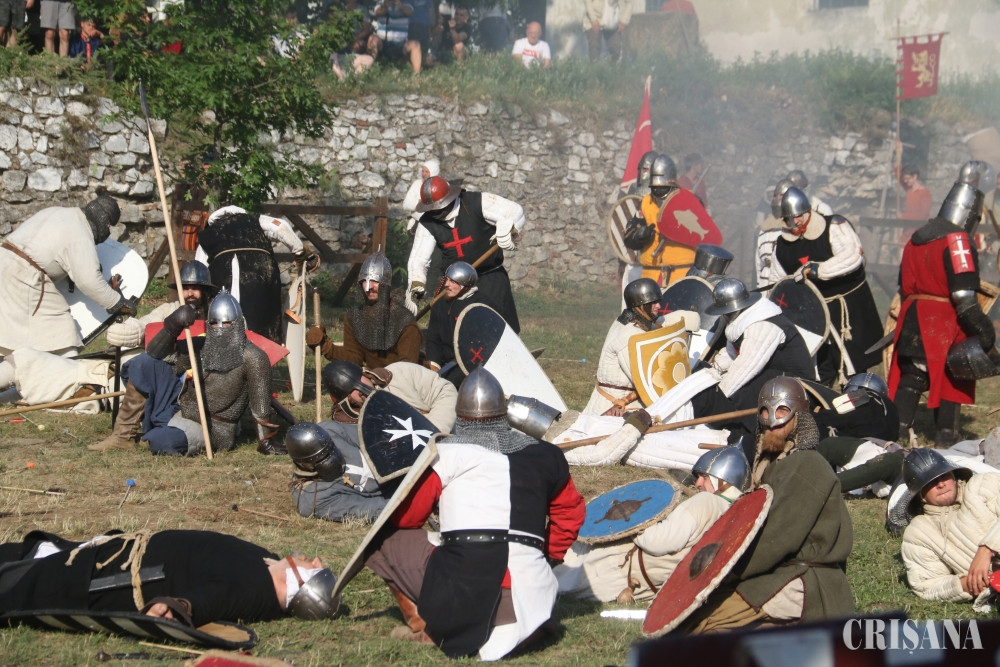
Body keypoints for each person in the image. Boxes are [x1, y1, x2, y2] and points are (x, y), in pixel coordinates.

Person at [363, 367, 585, 659]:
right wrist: (547, 556)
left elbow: (408, 519)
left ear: (461, 417)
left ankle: (426, 625)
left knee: (386, 540)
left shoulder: (445, 454)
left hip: (466, 587)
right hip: (534, 590)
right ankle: (528, 621)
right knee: (512, 561)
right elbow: (570, 514)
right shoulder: (547, 455)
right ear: (504, 413)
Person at [680, 377, 854, 633]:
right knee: (700, 617)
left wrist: (727, 571)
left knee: (706, 622)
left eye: (782, 410)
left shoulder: (806, 464)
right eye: (765, 410)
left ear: (800, 417)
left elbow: (776, 538)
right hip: (774, 573)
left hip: (806, 583)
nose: (772, 419)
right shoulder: (774, 467)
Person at [0, 528, 339, 624]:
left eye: (316, 568)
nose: (316, 558)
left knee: (19, 581)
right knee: (26, 553)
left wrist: (179, 606)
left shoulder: (254, 589)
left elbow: (217, 600)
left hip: (104, 575)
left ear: (299, 586)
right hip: (109, 551)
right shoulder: (266, 563)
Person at [88, 292, 280, 456]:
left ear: (238, 324)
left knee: (162, 441)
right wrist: (172, 326)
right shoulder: (204, 345)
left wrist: (266, 441)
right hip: (180, 409)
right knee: (143, 363)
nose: (220, 328)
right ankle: (122, 436)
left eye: (226, 323)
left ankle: (155, 434)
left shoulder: (253, 357)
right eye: (214, 323)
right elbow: (156, 354)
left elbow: (261, 408)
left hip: (212, 427)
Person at [556, 446, 748, 603]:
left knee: (552, 577)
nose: (697, 483)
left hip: (613, 565)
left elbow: (658, 541)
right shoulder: (734, 519)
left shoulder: (706, 502)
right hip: (639, 587)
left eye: (704, 477)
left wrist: (634, 521)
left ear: (722, 480)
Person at [889, 174, 999, 447]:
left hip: (912, 314)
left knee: (913, 375)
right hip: (941, 320)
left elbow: (903, 285)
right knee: (952, 373)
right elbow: (962, 293)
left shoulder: (916, 238)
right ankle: (947, 437)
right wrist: (983, 328)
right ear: (970, 214)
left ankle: (897, 432)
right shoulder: (958, 239)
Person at [763, 187, 882, 385]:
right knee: (819, 368)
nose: (795, 222)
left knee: (853, 366)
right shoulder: (783, 245)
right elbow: (777, 281)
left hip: (846, 307)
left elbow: (853, 255)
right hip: (813, 314)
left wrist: (819, 270)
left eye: (798, 216)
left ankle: (858, 400)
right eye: (789, 219)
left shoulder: (833, 226)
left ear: (808, 211)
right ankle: (820, 401)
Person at [0, 195, 135, 356]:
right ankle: (66, 369)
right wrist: (116, 301)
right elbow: (89, 281)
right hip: (24, 277)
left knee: (7, 331)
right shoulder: (80, 233)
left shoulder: (59, 212)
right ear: (104, 220)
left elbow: (49, 248)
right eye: (108, 225)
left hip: (5, 262)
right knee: (61, 332)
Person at [690, 278, 814, 441]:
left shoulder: (763, 325)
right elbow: (730, 357)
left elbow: (745, 369)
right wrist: (707, 377)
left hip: (794, 386)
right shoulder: (741, 323)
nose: (724, 315)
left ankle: (742, 435)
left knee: (738, 395)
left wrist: (717, 397)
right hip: (771, 378)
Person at [406, 176, 524, 331]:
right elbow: (419, 259)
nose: (435, 211)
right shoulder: (428, 222)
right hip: (455, 284)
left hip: (490, 278)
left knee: (499, 328)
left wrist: (507, 228)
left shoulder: (476, 202)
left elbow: (515, 211)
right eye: (431, 208)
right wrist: (416, 283)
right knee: (446, 329)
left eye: (438, 207)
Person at [195, 205, 315, 343]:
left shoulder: (208, 234)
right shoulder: (255, 220)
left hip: (228, 280)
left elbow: (199, 272)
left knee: (232, 324)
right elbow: (280, 226)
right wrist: (300, 252)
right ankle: (267, 350)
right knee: (267, 320)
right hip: (265, 273)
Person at [898, 448, 1000, 607]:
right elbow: (927, 585)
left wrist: (987, 549)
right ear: (920, 494)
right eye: (930, 482)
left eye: (944, 475)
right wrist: (966, 584)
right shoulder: (919, 532)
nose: (940, 484)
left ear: (953, 475)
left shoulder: (983, 486)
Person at [306, 251, 421, 368]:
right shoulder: (355, 319)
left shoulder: (404, 321)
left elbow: (409, 368)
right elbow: (354, 360)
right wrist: (326, 346)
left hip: (401, 377)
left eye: (375, 281)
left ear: (386, 284)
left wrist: (382, 376)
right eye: (365, 281)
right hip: (372, 377)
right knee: (334, 372)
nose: (369, 287)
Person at [583, 277, 662, 416]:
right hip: (614, 405)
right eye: (653, 303)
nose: (658, 306)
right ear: (641, 305)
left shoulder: (625, 321)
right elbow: (643, 381)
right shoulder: (631, 334)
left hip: (618, 398)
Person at [285, 421, 390, 524]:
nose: (331, 459)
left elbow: (375, 436)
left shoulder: (329, 431)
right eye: (323, 458)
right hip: (391, 492)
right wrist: (397, 503)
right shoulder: (312, 498)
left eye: (330, 449)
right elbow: (370, 508)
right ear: (305, 464)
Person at [424, 261, 502, 388]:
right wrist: (434, 363)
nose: (446, 284)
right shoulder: (440, 305)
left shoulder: (482, 305)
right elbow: (433, 338)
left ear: (465, 286)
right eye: (447, 279)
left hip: (475, 366)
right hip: (445, 364)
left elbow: (492, 341)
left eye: (453, 282)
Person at [321, 359, 457, 432]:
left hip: (443, 439)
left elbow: (445, 391)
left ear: (364, 372)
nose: (360, 390)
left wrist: (433, 431)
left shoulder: (401, 372)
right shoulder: (350, 426)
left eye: (358, 380)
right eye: (351, 391)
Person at [106, 260, 215, 350]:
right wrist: (131, 331)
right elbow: (146, 323)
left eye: (195, 288)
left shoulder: (215, 310)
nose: (190, 293)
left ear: (205, 290)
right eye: (185, 289)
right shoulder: (168, 309)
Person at [812, 372, 899, 442]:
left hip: (857, 445)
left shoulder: (862, 396)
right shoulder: (891, 408)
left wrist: (817, 414)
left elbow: (837, 418)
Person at [373, 0, 422, 73]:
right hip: (383, 42)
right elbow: (378, 12)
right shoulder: (381, 3)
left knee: (415, 44)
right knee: (372, 39)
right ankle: (369, 68)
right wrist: (385, 6)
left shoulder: (406, 4)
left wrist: (401, 7)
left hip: (401, 43)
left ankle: (417, 74)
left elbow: (410, 12)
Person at [401, 157, 440, 229]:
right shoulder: (417, 184)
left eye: (426, 172)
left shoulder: (441, 186)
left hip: (435, 225)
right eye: (423, 171)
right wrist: (420, 203)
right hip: (417, 224)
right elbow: (406, 204)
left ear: (433, 173)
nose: (423, 174)